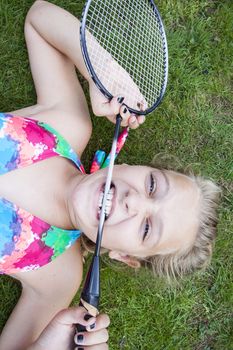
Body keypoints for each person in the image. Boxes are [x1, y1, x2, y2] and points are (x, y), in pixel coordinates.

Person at [0, 1, 220, 349]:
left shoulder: (58, 276)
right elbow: (40, 18)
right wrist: (102, 74)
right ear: (135, 164)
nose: (135, 201)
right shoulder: (68, 124)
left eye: (147, 227)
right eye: (151, 185)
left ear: (125, 257)